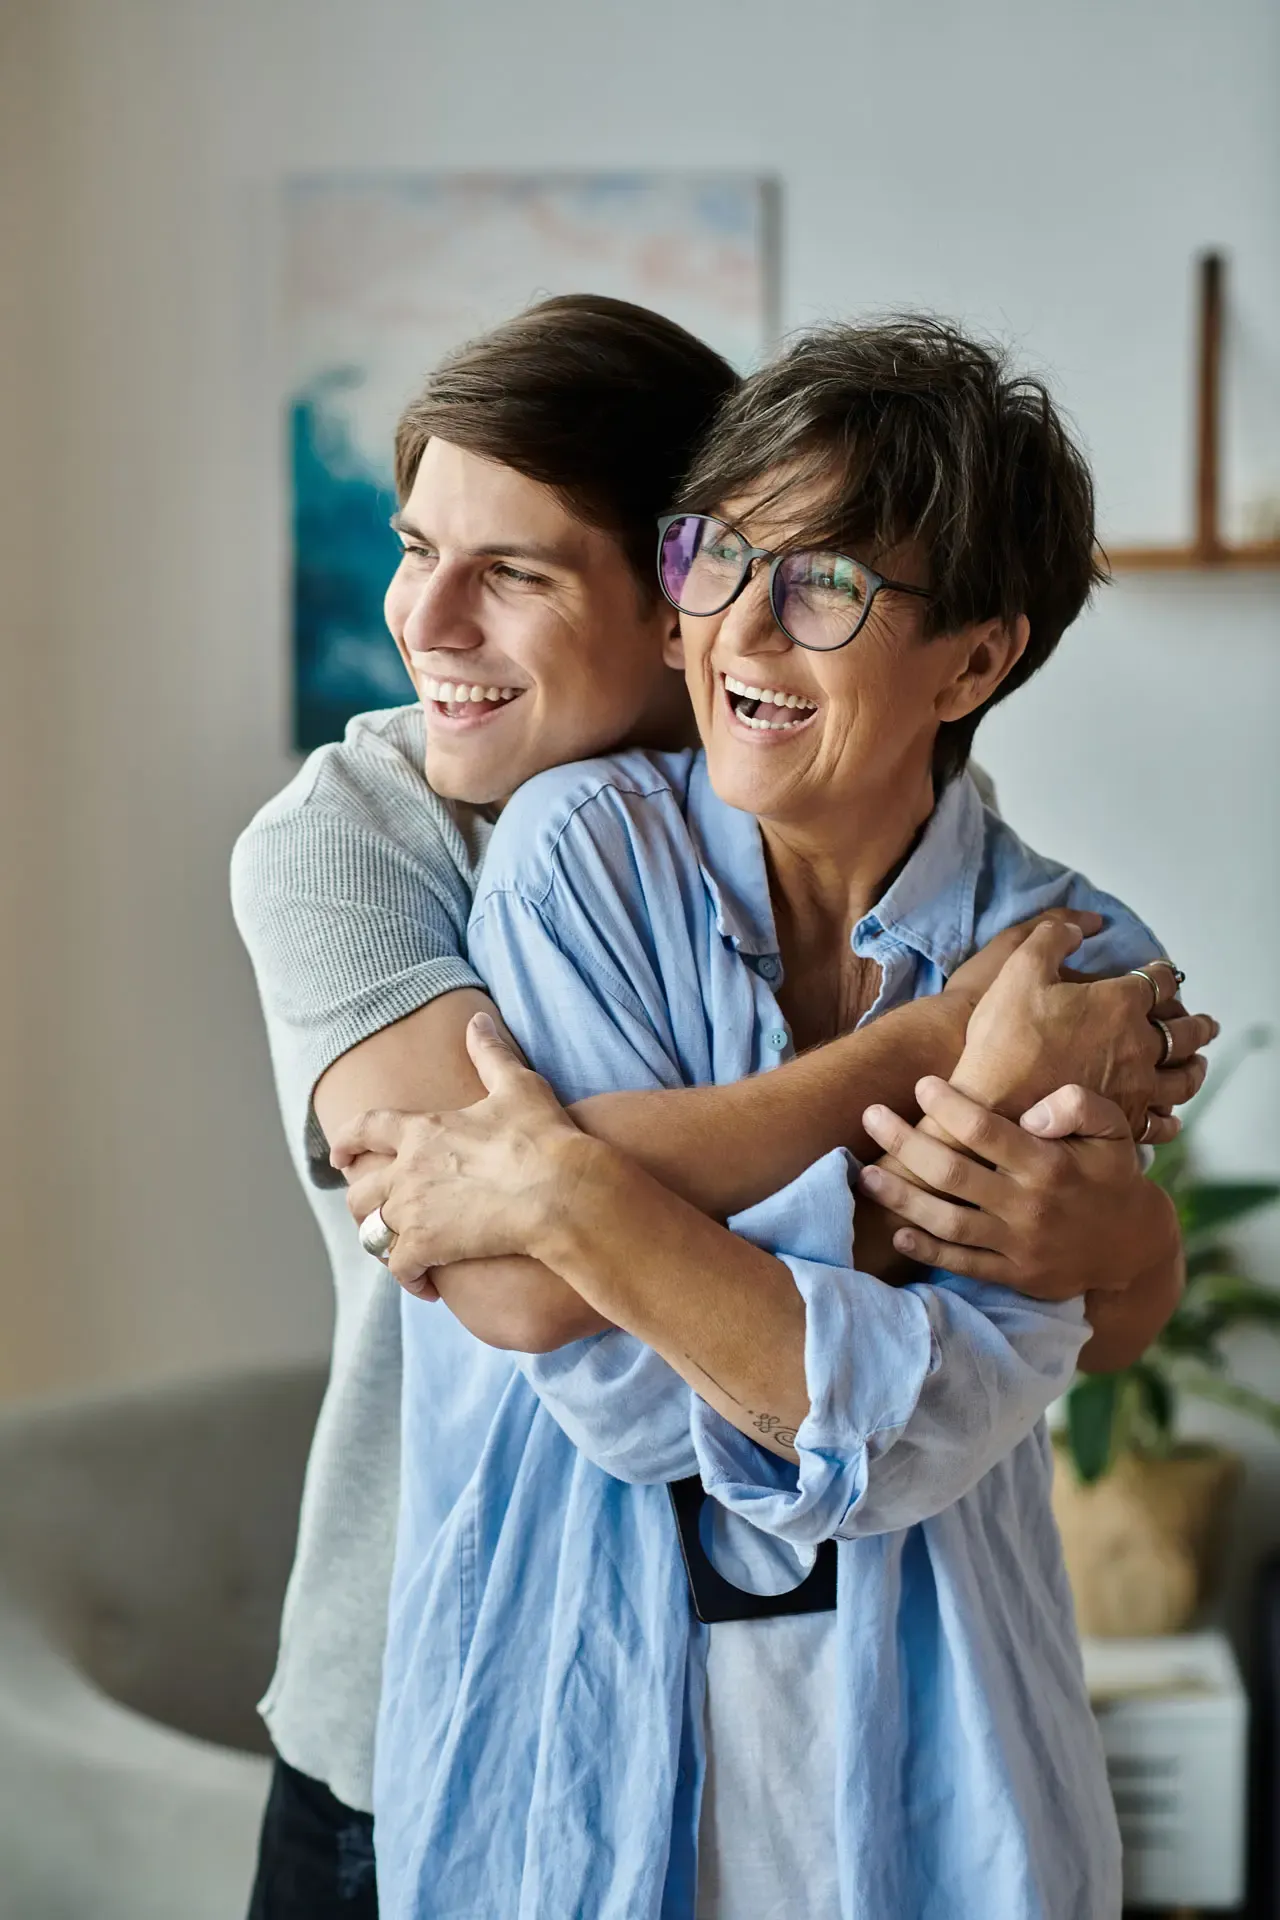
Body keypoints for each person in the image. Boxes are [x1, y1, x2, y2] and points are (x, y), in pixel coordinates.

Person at [232, 298, 1204, 1918]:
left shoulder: (1032, 928)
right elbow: (540, 1306)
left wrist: (1120, 1245)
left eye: (519, 571)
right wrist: (939, 1074)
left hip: (914, 1769)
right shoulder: (402, 838)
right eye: (417, 548)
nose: (427, 619)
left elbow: (1004, 1377)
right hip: (460, 1705)